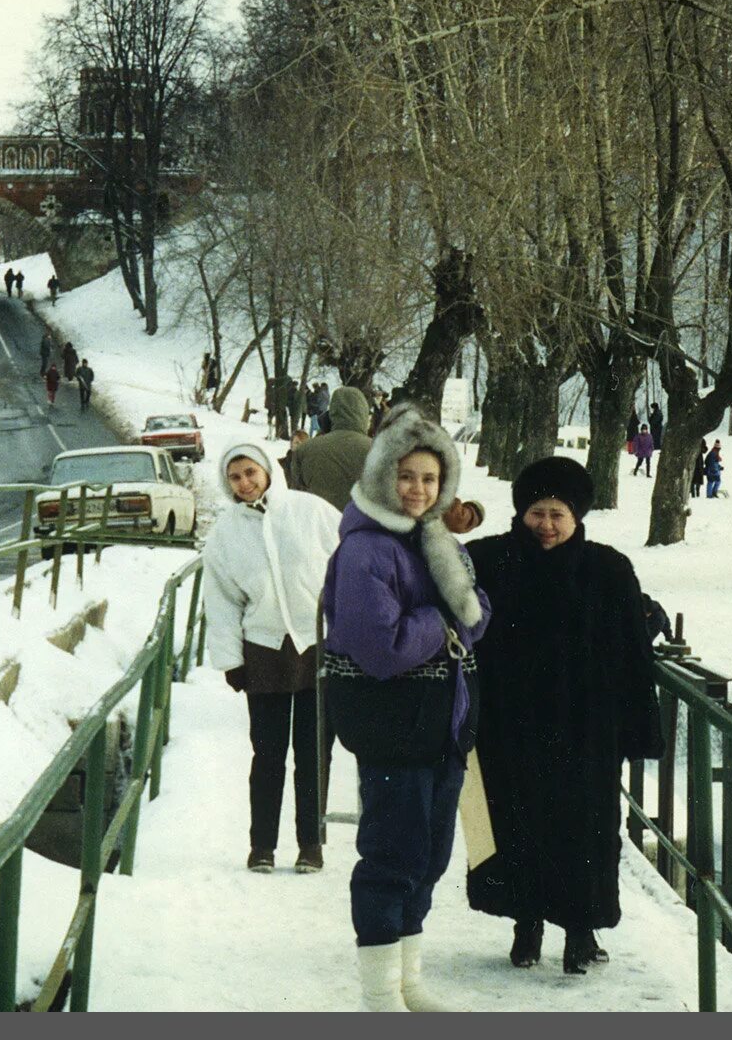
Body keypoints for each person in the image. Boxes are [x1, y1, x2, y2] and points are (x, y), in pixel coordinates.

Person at [463, 456, 664, 975]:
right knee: (516, 825)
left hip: (586, 731)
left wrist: (640, 729)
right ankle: (525, 923)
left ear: (577, 517)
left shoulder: (608, 568)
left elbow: (633, 654)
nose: (547, 526)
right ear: (520, 514)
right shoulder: (489, 561)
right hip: (512, 727)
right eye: (537, 513)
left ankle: (580, 930)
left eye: (557, 514)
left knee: (586, 832)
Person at [322, 405, 492, 1012]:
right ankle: (379, 996)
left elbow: (480, 611)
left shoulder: (433, 539)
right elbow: (380, 649)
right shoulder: (368, 549)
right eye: (406, 477)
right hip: (394, 728)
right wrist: (444, 617)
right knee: (391, 858)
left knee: (428, 858)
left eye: (429, 478)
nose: (418, 490)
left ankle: (407, 982)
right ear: (380, 478)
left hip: (440, 728)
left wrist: (455, 616)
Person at [204, 444, 343, 877]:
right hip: (263, 649)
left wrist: (349, 634)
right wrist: (231, 660)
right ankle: (262, 845)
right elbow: (222, 601)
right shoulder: (224, 533)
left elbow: (348, 566)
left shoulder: (312, 510)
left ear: (267, 470)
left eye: (250, 472)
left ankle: (310, 844)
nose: (245, 483)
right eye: (235, 477)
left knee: (313, 751)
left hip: (317, 645)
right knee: (267, 754)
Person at [287, 386, 374, 510]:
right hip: (360, 527)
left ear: (332, 411)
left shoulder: (305, 450)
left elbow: (296, 499)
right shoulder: (379, 452)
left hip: (315, 525)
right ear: (364, 414)